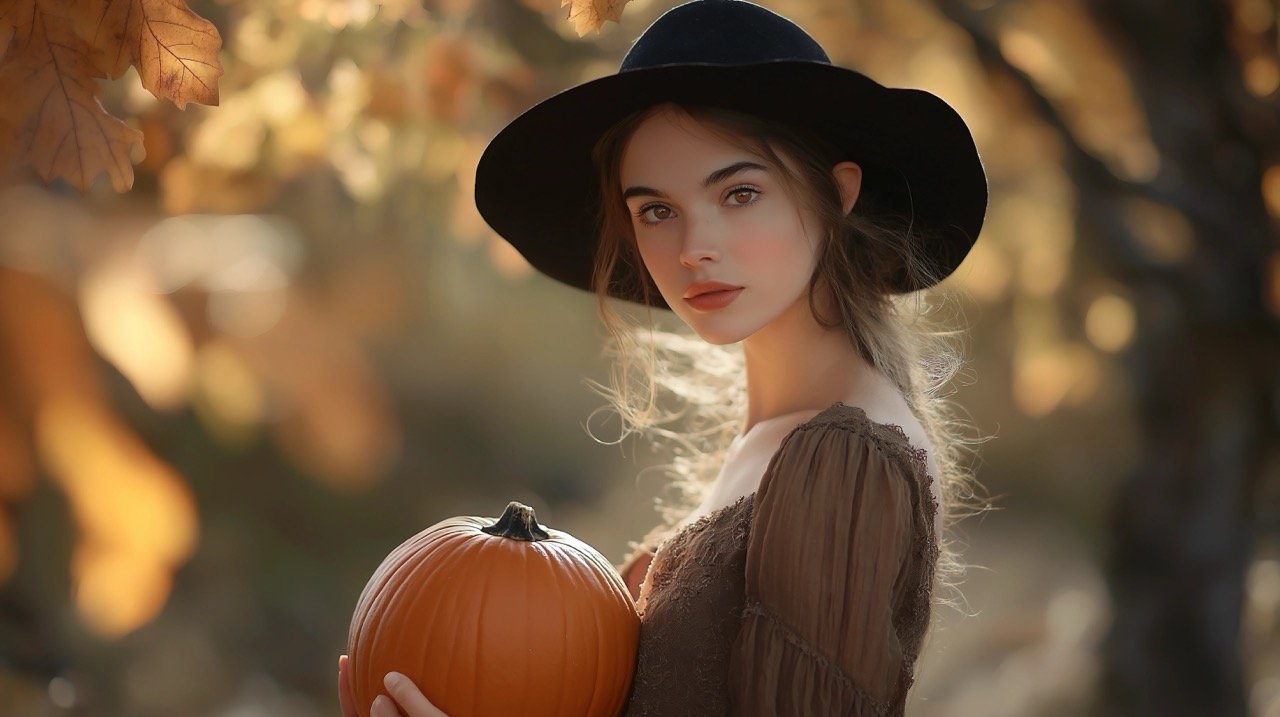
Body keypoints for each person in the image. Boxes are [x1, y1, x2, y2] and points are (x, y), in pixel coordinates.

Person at [339, 0, 989, 714]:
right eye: (655, 209)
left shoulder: (843, 456)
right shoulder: (778, 443)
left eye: (739, 193)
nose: (692, 247)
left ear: (837, 193)